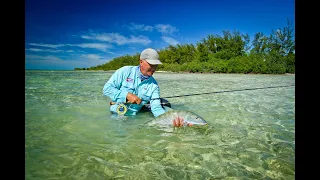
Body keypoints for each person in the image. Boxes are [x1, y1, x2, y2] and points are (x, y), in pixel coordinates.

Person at [103, 48, 184, 126]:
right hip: (116, 113)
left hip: (133, 117)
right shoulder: (125, 71)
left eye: (156, 65)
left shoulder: (154, 85)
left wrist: (171, 120)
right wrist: (126, 95)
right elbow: (107, 89)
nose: (154, 68)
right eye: (151, 64)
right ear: (141, 61)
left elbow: (156, 109)